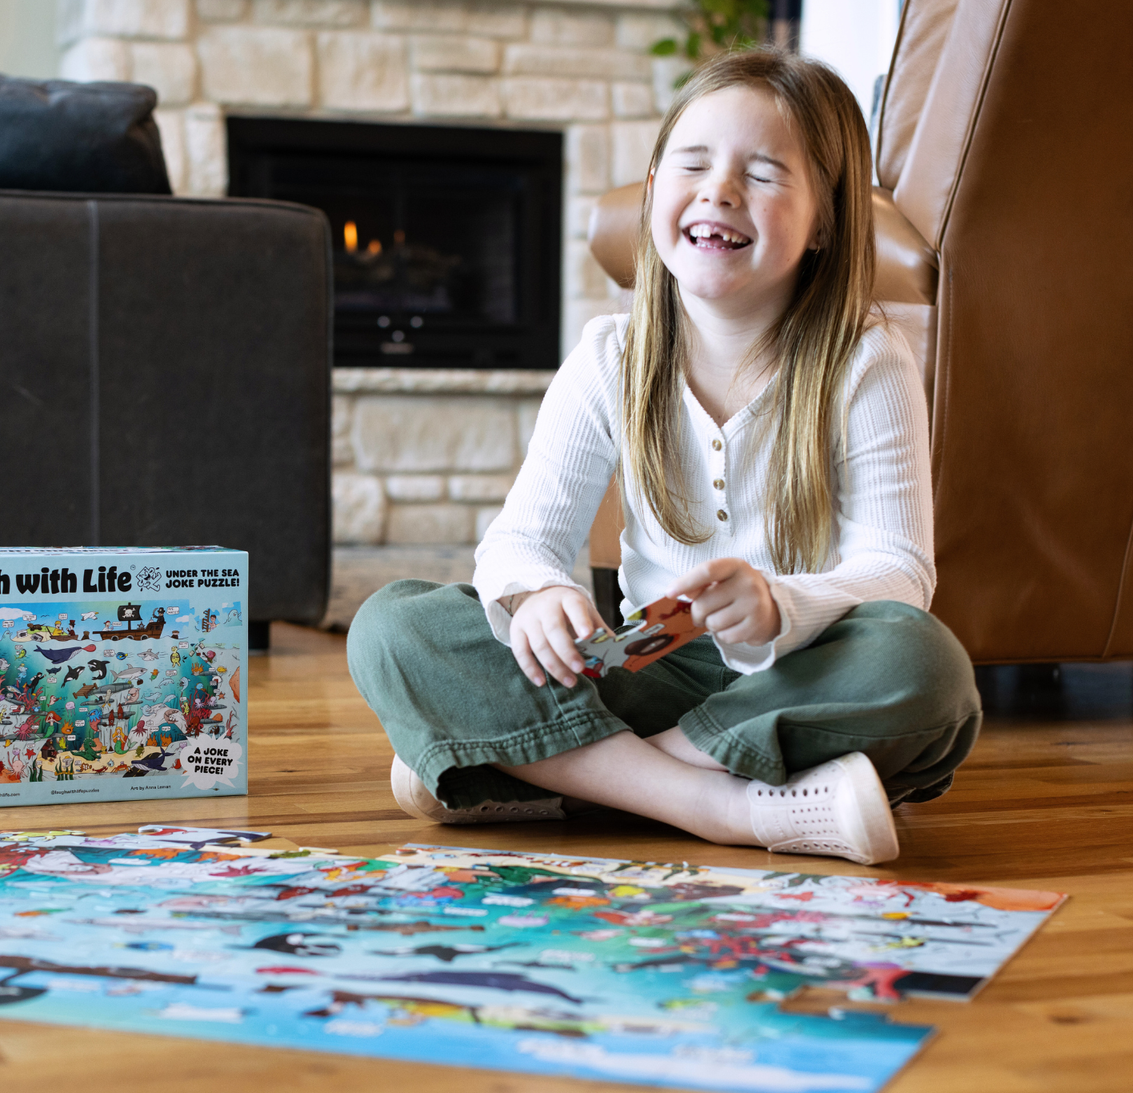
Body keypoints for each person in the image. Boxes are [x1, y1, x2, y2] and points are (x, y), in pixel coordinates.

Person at [347, 48, 980, 868]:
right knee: (393, 626)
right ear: (654, 191)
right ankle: (726, 806)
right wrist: (537, 594)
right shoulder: (610, 355)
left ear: (825, 220)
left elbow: (899, 572)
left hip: (803, 678)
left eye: (763, 172)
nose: (719, 189)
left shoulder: (866, 358)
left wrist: (781, 604)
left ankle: (538, 767)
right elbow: (518, 541)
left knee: (926, 666)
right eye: (693, 162)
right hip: (646, 674)